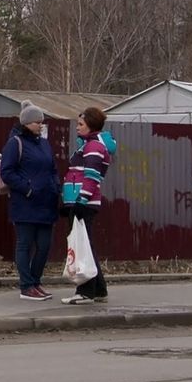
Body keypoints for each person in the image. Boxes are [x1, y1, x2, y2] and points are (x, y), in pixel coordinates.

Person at [0, 102, 60, 301]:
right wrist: (28, 189)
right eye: (36, 122)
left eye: (42, 121)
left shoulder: (43, 143)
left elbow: (52, 168)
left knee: (44, 245)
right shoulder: (15, 143)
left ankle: (35, 281)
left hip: (46, 202)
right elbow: (7, 172)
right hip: (25, 203)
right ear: (26, 123)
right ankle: (26, 285)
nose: (40, 125)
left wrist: (55, 187)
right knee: (25, 244)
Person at [60, 106, 118, 304]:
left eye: (81, 124)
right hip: (79, 202)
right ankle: (99, 289)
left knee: (83, 248)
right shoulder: (87, 145)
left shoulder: (93, 147)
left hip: (83, 204)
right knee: (87, 246)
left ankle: (85, 291)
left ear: (91, 125)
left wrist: (80, 201)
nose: (77, 127)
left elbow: (91, 176)